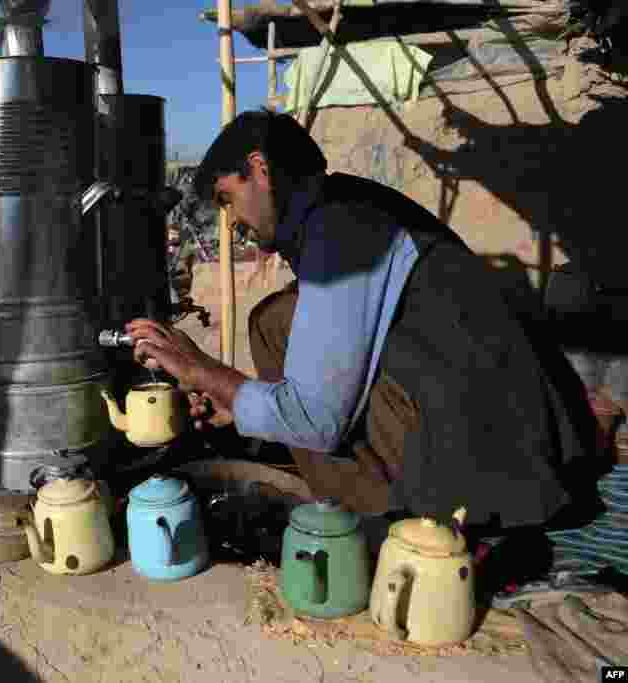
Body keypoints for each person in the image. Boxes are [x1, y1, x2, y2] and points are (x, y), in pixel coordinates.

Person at [127, 111, 594, 543]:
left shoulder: (344, 230)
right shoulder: (346, 211)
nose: (231, 224)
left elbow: (316, 419)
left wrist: (201, 370)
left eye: (228, 198)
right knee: (277, 318)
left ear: (261, 169)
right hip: (504, 444)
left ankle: (389, 525)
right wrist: (236, 402)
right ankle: (377, 495)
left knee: (277, 332)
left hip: (500, 473)